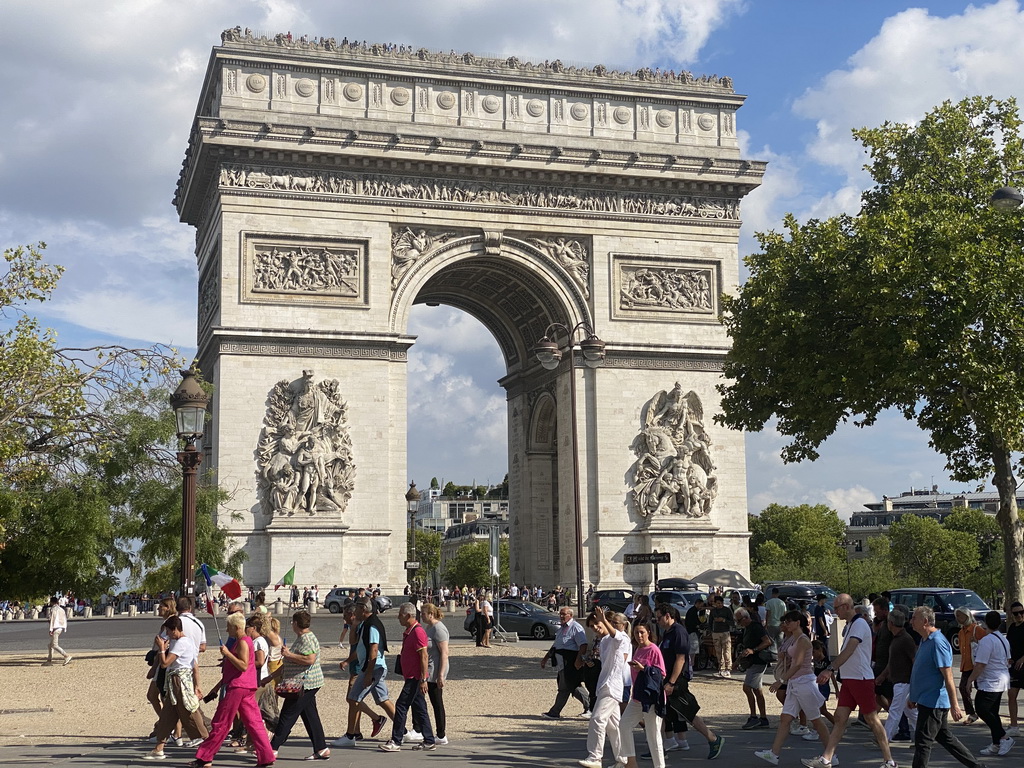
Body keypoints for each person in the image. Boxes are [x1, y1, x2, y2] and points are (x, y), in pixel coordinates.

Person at [801, 593, 898, 768]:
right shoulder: (853, 624)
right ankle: (826, 758)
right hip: (850, 679)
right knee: (840, 719)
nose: (835, 611)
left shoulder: (859, 624)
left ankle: (889, 760)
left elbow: (850, 650)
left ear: (846, 606)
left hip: (860, 679)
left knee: (872, 719)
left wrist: (830, 668)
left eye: (837, 608)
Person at [190, 612, 275, 768]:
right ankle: (266, 756)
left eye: (229, 627)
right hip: (247, 686)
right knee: (254, 722)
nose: (227, 629)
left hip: (238, 686)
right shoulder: (246, 640)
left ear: (236, 627)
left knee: (221, 722)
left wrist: (228, 654)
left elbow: (242, 665)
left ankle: (205, 757)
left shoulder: (242, 642)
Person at [905, 605, 985, 768]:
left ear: (925, 621)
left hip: (933, 702)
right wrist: (913, 696)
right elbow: (922, 673)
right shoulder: (925, 640)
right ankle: (977, 766)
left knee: (922, 744)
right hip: (925, 700)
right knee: (945, 738)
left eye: (914, 618)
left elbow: (948, 676)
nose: (911, 621)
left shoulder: (938, 642)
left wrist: (955, 705)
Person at [755, 610, 830, 765]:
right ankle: (773, 754)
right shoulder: (794, 639)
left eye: (789, 621)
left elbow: (797, 665)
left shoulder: (802, 640)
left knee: (816, 720)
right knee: (786, 718)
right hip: (796, 683)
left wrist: (781, 680)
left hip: (804, 682)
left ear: (798, 623)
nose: (786, 624)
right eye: (786, 621)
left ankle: (831, 755)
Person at [656, 603, 725, 759]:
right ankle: (661, 747)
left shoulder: (679, 632)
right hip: (667, 678)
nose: (657, 621)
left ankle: (713, 738)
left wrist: (672, 682)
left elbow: (680, 659)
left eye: (659, 617)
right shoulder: (668, 632)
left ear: (668, 616)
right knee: (664, 714)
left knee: (688, 712)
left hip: (676, 680)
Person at [145, 616, 210, 759]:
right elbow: (195, 665)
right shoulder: (188, 642)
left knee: (188, 710)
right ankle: (159, 748)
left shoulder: (181, 643)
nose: (167, 634)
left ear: (175, 629)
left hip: (179, 680)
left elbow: (165, 663)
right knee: (168, 714)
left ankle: (205, 739)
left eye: (168, 631)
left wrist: (162, 649)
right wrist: (197, 684)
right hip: (178, 680)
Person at [270, 610, 329, 761]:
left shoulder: (306, 639)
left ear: (296, 623)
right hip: (305, 683)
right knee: (310, 716)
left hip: (304, 683)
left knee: (287, 715)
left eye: (292, 622)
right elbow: (291, 662)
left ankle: (272, 748)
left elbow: (309, 659)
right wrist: (269, 677)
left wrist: (289, 654)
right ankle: (321, 748)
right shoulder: (303, 637)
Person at [338, 596, 396, 746]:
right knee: (383, 700)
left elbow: (373, 650)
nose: (354, 611)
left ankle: (351, 736)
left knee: (353, 698)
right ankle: (401, 730)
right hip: (373, 668)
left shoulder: (372, 626)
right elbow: (358, 646)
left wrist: (368, 674)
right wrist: (348, 660)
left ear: (363, 609)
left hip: (373, 669)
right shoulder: (364, 624)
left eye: (357, 608)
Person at [578, 607, 631, 768]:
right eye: (592, 625)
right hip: (604, 684)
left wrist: (604, 620)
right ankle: (623, 759)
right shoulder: (604, 641)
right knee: (613, 725)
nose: (595, 627)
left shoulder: (621, 638)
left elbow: (617, 637)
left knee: (598, 719)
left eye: (597, 623)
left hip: (612, 685)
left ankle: (595, 756)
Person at [379, 602, 436, 752]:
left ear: (409, 616)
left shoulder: (417, 632)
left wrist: (423, 679)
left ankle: (396, 741)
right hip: (412, 676)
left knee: (401, 706)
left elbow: (423, 656)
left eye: (401, 615)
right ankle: (429, 740)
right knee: (420, 709)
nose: (398, 618)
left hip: (415, 677)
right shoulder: (410, 632)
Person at [617, 621, 666, 768]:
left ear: (648, 633)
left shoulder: (654, 649)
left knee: (653, 735)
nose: (639, 636)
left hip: (652, 697)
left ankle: (660, 766)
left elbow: (661, 674)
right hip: (638, 696)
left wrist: (644, 668)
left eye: (642, 632)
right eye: (636, 632)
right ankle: (631, 762)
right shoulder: (637, 648)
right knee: (624, 725)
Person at [967, 610, 1013, 757]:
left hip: (992, 681)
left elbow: (980, 664)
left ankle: (1004, 737)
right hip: (1001, 678)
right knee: (993, 711)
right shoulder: (1002, 639)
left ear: (986, 623)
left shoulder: (987, 640)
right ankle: (996, 743)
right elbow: (1008, 659)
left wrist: (970, 680)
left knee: (982, 709)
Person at [877, 609, 918, 743]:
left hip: (904, 681)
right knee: (910, 712)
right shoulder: (897, 639)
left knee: (895, 710)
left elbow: (914, 661)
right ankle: (927, 734)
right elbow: (892, 662)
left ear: (891, 623)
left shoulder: (905, 639)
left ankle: (885, 737)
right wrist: (883, 676)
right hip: (899, 681)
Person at [542, 607, 590, 719]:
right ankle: (555, 712)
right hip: (561, 662)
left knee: (569, 686)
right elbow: (555, 646)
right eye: (560, 614)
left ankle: (590, 707)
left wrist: (579, 660)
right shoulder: (561, 629)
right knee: (568, 686)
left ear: (570, 615)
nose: (561, 616)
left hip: (570, 661)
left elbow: (583, 645)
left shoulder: (575, 628)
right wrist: (545, 658)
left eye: (564, 614)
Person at [735, 607, 772, 729]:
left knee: (747, 687)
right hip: (753, 661)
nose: (738, 623)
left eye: (739, 620)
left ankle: (753, 717)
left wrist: (754, 650)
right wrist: (738, 661)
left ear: (746, 618)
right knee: (757, 690)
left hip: (758, 661)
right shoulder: (747, 628)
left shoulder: (756, 627)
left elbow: (767, 641)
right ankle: (763, 718)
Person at [421, 603, 450, 745]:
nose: (422, 616)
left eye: (424, 613)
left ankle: (441, 733)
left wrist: (441, 675)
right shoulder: (429, 627)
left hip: (436, 670)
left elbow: (444, 653)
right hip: (429, 669)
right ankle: (420, 728)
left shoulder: (439, 629)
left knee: (437, 702)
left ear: (431, 614)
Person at [955, 607, 988, 725]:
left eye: (960, 615)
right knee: (963, 687)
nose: (957, 618)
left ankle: (986, 712)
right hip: (966, 665)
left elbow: (987, 644)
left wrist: (978, 642)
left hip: (977, 665)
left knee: (981, 689)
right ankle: (972, 713)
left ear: (967, 616)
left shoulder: (976, 629)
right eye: (956, 616)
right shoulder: (960, 632)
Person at [1006, 601, 1024, 738]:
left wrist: (1022, 658)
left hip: (1023, 664)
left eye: (1021, 612)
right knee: (1012, 694)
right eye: (1016, 613)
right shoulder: (1012, 627)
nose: (1019, 615)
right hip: (1015, 667)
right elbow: (1009, 645)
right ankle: (1014, 726)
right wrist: (1009, 658)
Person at [709, 594, 734, 677]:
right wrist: (710, 630)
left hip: (725, 632)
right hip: (715, 632)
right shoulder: (713, 611)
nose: (720, 605)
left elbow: (732, 622)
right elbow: (710, 622)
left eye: (721, 603)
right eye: (718, 603)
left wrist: (723, 620)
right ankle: (721, 667)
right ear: (715, 603)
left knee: (726, 650)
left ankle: (728, 668)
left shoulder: (727, 610)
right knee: (718, 651)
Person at [45, 596, 71, 666]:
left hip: (55, 628)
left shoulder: (53, 609)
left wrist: (51, 629)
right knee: (50, 645)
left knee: (54, 645)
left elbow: (52, 619)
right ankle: (49, 660)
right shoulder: (61, 609)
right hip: (60, 627)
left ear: (51, 602)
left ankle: (66, 655)